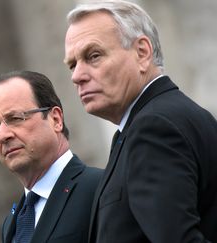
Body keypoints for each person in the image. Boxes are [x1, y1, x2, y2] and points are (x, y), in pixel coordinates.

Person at [63, 1, 217, 243]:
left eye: (93, 56)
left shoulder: (154, 128)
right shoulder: (163, 118)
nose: (77, 76)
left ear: (142, 52)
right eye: (72, 64)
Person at [0, 70, 103, 243]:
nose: (2, 135)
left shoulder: (100, 188)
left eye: (15, 118)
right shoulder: (11, 223)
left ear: (55, 119)